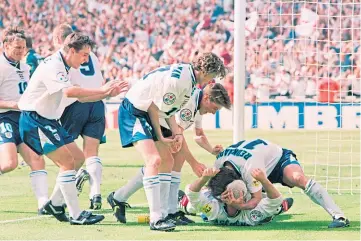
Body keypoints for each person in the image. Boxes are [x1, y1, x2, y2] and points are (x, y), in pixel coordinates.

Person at [18, 32, 127, 225]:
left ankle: (55, 204)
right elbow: (69, 91)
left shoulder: (64, 66)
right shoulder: (54, 65)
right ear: (71, 51)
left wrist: (107, 94)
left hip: (46, 120)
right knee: (68, 162)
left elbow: (80, 97)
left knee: (77, 158)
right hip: (35, 119)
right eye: (84, 54)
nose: (86, 59)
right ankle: (76, 215)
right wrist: (102, 89)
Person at [116, 52, 226, 231]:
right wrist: (161, 136)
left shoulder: (188, 80)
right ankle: (157, 218)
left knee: (168, 160)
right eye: (213, 76)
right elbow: (153, 107)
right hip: (135, 110)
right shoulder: (181, 81)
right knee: (155, 160)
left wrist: (177, 135)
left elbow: (168, 111)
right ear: (206, 71)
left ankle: (164, 213)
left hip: (149, 112)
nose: (211, 81)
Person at [209, 138, 350, 228]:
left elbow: (255, 200)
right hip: (255, 168)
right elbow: (213, 188)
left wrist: (240, 205)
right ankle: (277, 208)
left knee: (297, 178)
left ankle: (339, 216)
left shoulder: (250, 168)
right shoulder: (219, 164)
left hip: (277, 160)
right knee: (241, 194)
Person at [53, 23, 108, 210]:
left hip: (76, 104)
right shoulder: (91, 55)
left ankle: (58, 199)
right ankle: (95, 193)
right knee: (92, 152)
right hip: (98, 103)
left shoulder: (66, 58)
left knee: (64, 153)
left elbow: (68, 88)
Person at [0, 26, 48, 214]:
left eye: (23, 48)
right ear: (5, 45)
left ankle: (43, 204)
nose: (21, 51)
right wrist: (13, 104)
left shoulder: (25, 66)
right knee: (9, 164)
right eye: (17, 47)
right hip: (4, 117)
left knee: (37, 159)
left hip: (24, 118)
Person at [183, 167, 286, 226]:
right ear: (245, 197)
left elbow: (191, 192)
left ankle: (184, 204)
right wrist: (263, 180)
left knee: (191, 206)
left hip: (208, 209)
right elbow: (276, 199)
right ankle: (278, 209)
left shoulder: (214, 210)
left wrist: (204, 179)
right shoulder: (252, 214)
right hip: (258, 207)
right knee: (273, 206)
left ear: (221, 198)